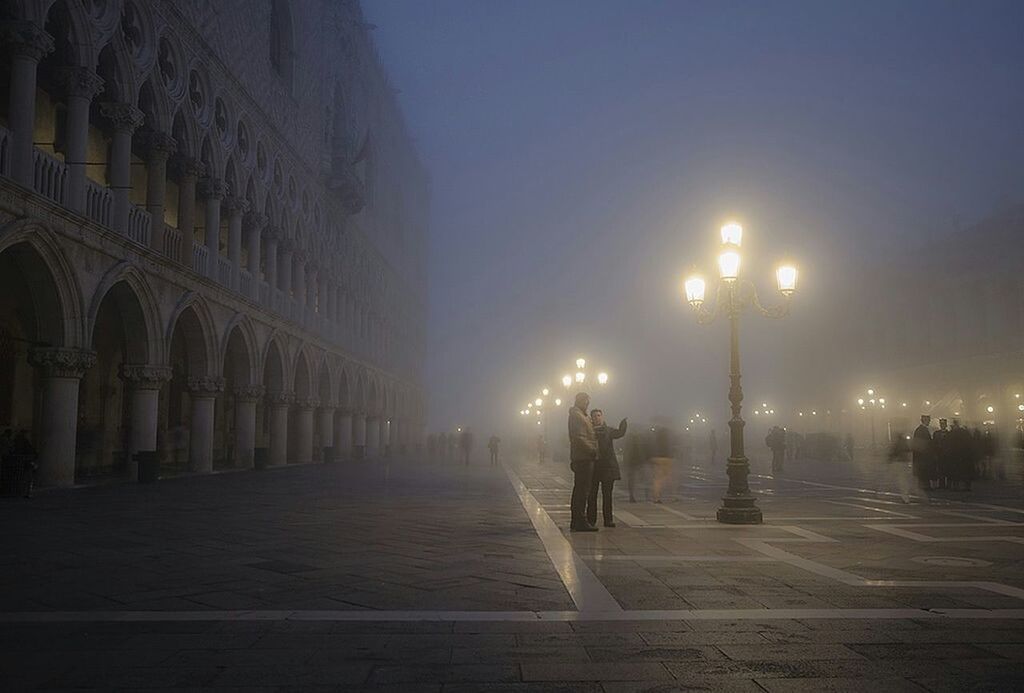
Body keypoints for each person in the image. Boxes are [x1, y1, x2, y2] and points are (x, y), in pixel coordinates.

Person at [587, 409, 627, 528]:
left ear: (602, 417)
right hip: (593, 467)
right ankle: (591, 519)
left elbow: (619, 433)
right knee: (592, 495)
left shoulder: (608, 430)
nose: (597, 418)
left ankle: (608, 520)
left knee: (607, 495)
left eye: (599, 415)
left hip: (607, 468)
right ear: (591, 418)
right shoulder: (589, 431)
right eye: (595, 416)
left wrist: (623, 425)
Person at [568, 392, 599, 532]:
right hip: (584, 457)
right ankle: (579, 520)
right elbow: (579, 437)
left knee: (582, 490)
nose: (587, 404)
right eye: (586, 402)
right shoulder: (577, 416)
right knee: (582, 490)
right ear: (580, 401)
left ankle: (578, 520)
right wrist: (592, 449)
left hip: (584, 456)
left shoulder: (581, 415)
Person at [650, 425, 673, 503]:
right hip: (666, 458)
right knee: (668, 477)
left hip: (657, 458)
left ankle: (656, 497)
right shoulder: (667, 440)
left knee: (657, 479)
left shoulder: (656, 440)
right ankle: (672, 496)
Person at [911, 415, 932, 490]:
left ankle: (923, 485)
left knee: (922, 471)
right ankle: (924, 486)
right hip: (923, 455)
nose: (929, 422)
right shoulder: (922, 430)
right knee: (924, 471)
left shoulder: (919, 430)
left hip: (920, 454)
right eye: (928, 420)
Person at [932, 418, 949, 488]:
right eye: (941, 424)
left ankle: (946, 484)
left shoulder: (949, 434)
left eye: (943, 424)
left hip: (946, 454)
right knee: (940, 469)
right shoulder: (936, 433)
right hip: (939, 454)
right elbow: (934, 444)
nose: (942, 425)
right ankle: (941, 484)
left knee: (946, 469)